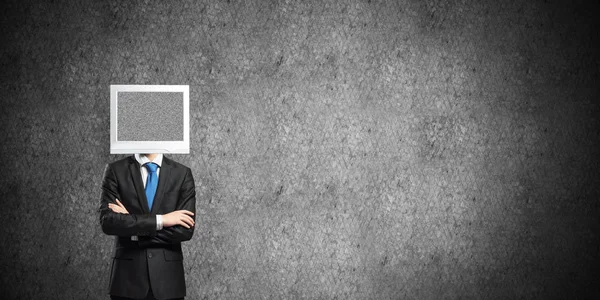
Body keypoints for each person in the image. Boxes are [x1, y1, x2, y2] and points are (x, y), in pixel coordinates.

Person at [98, 153, 196, 300]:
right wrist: (162, 220)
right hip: (126, 281)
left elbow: (185, 231)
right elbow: (108, 222)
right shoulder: (115, 170)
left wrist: (133, 226)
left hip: (168, 282)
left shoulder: (182, 173)